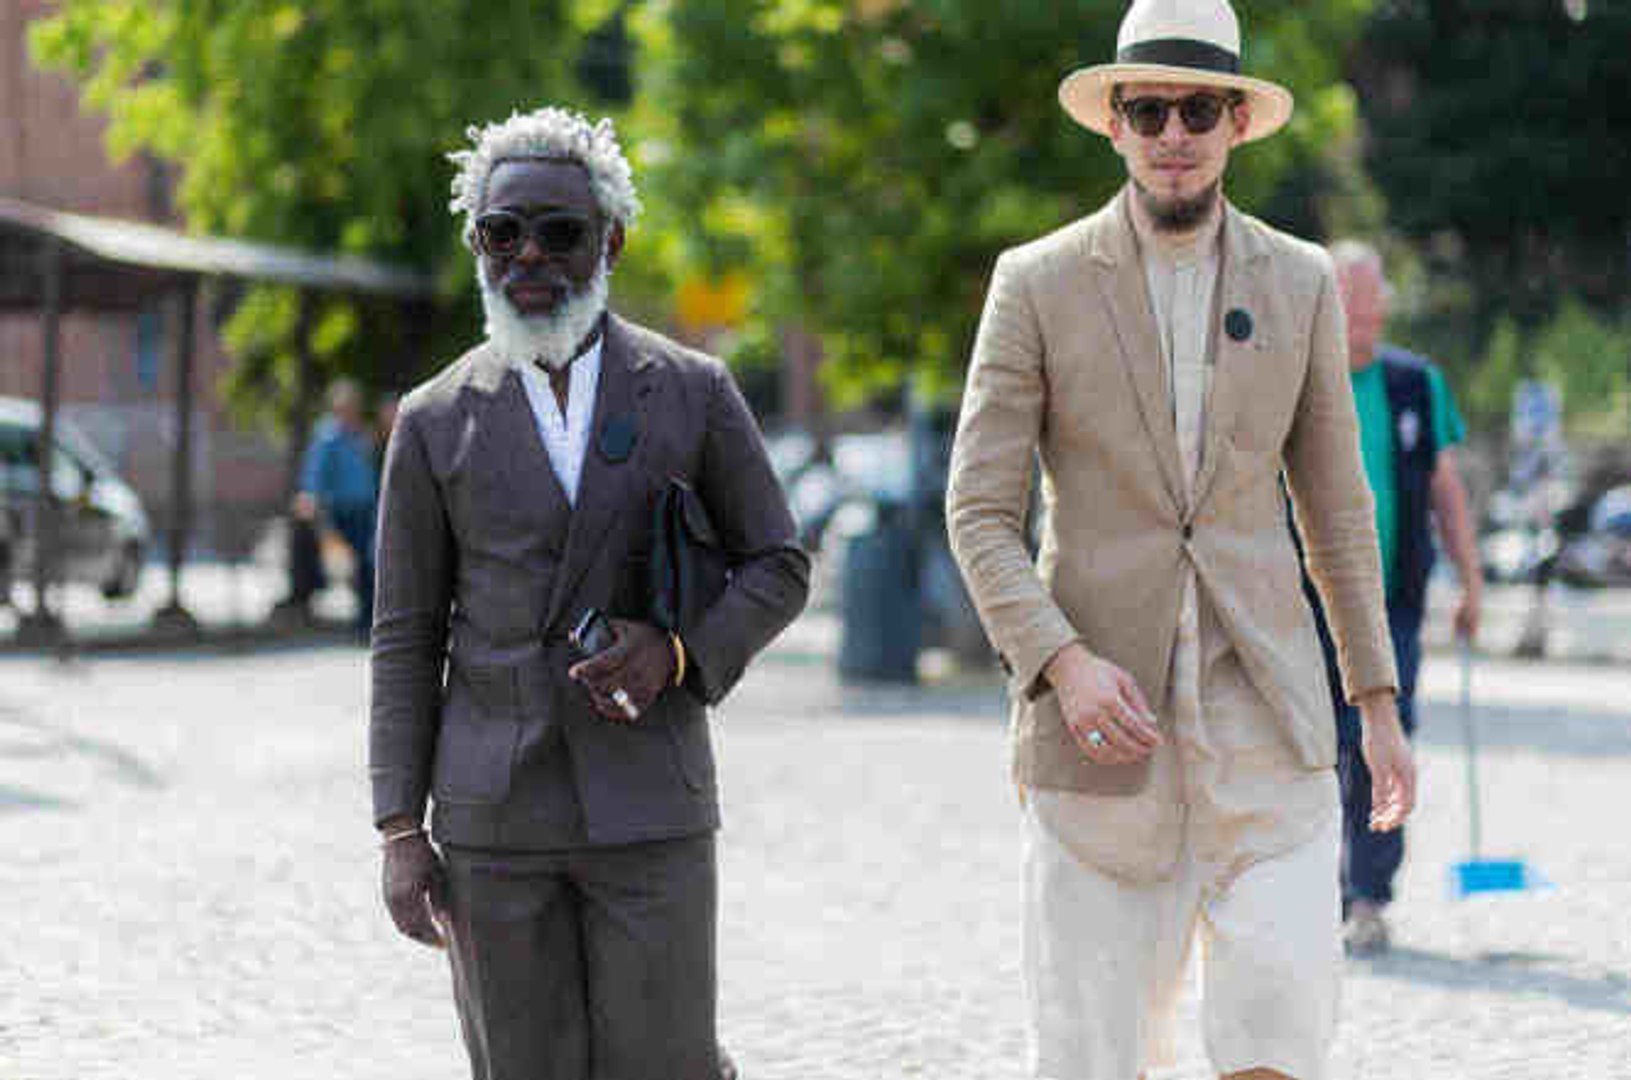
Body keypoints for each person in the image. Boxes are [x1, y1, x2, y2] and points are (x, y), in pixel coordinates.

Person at [945, 2, 1415, 1077]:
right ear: (1113, 122)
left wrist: (1377, 704)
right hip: (1099, 737)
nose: (1171, 133)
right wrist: (1061, 664)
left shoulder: (1300, 281)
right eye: (1148, 110)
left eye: (1196, 109)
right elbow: (977, 511)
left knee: (1279, 1027)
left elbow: (1337, 510)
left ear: (1235, 124)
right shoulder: (1034, 282)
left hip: (1267, 722)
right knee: (1090, 1051)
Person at [369, 106, 808, 1080]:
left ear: (609, 242)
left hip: (650, 804)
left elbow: (777, 562)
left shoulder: (692, 389)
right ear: (476, 245)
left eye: (559, 232)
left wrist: (677, 653)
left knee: (668, 1063)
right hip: (492, 820)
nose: (528, 255)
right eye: (502, 233)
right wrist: (399, 827)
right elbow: (405, 634)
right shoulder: (434, 419)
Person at [1323, 240, 1481, 955]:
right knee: (1313, 747)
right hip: (1306, 606)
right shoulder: (1297, 379)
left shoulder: (1416, 383)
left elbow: (1446, 489)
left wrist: (1470, 579)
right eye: (1346, 298)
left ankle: (1367, 895)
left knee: (1383, 746)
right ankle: (1313, 892)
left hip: (1394, 605)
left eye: (1369, 298)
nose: (1361, 312)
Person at [295, 378, 378, 636]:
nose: (350, 410)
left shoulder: (362, 435)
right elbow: (314, 472)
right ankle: (360, 618)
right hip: (341, 509)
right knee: (354, 563)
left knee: (368, 563)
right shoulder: (328, 436)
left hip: (365, 508)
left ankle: (366, 618)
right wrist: (309, 496)